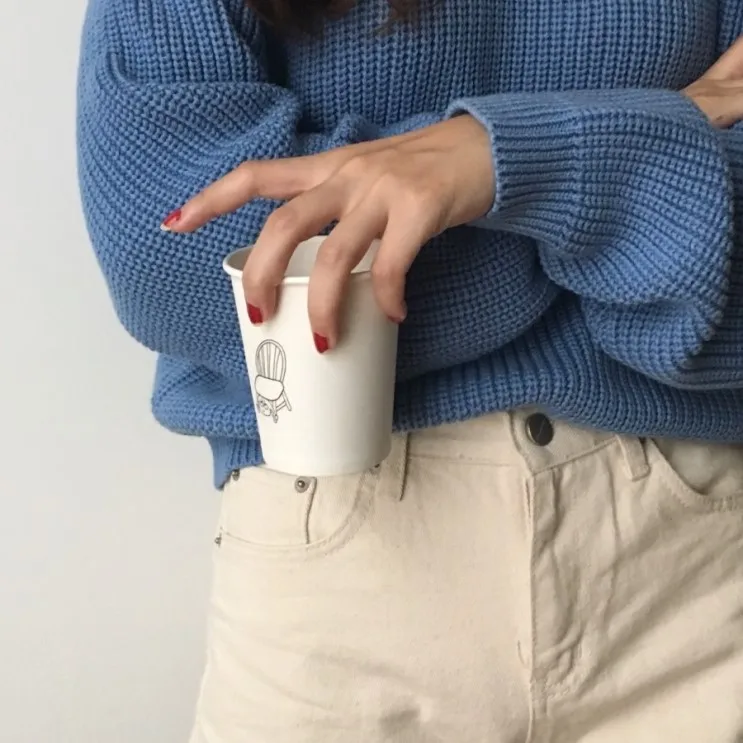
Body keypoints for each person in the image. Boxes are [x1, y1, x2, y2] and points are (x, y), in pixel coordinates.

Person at [77, 0, 743, 740]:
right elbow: (178, 267)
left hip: (690, 581)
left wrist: (497, 163)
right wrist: (637, 175)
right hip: (343, 561)